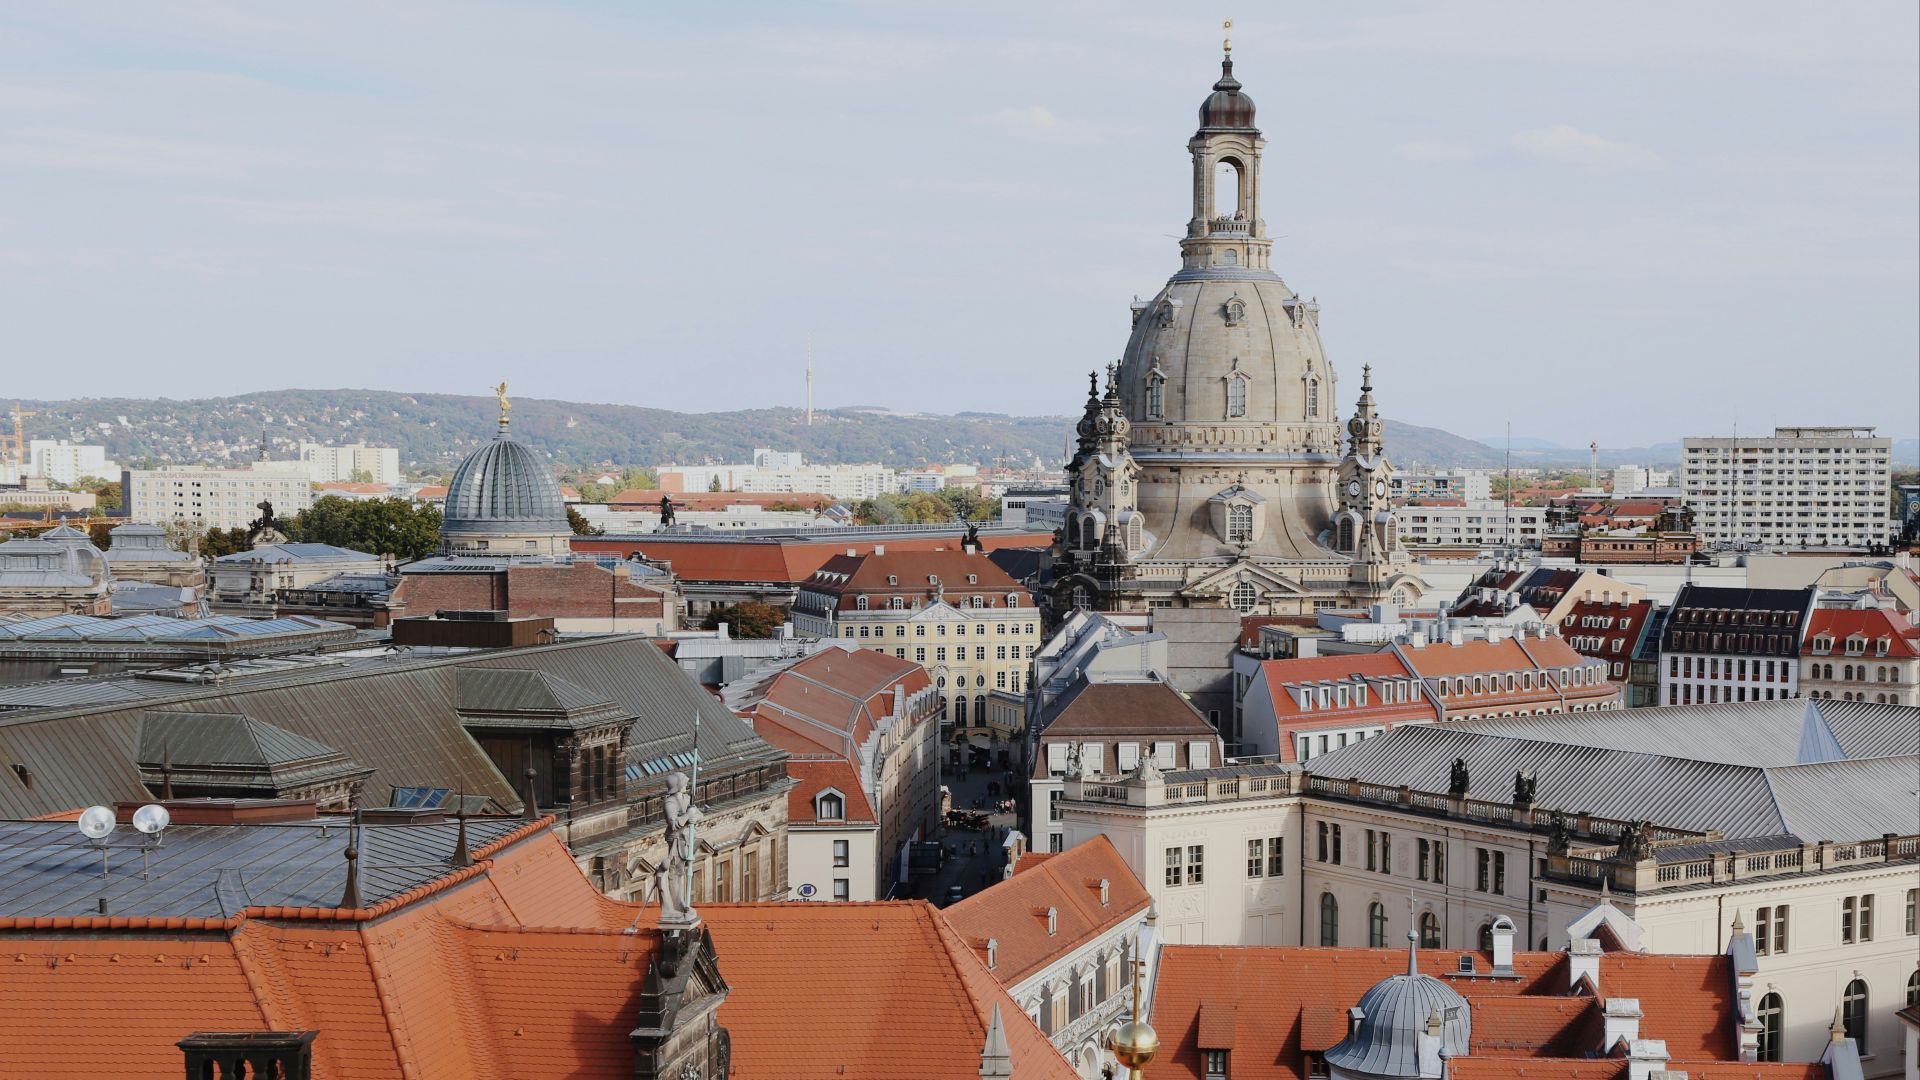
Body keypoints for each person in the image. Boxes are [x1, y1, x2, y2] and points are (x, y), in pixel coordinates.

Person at [653, 772, 703, 924]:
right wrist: (688, 815)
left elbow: (699, 814)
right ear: (678, 785)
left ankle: (680, 903)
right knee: (674, 873)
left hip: (687, 839)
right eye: (684, 782)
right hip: (676, 841)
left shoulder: (687, 798)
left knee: (681, 872)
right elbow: (673, 824)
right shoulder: (670, 802)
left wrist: (694, 816)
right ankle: (676, 904)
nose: (686, 784)